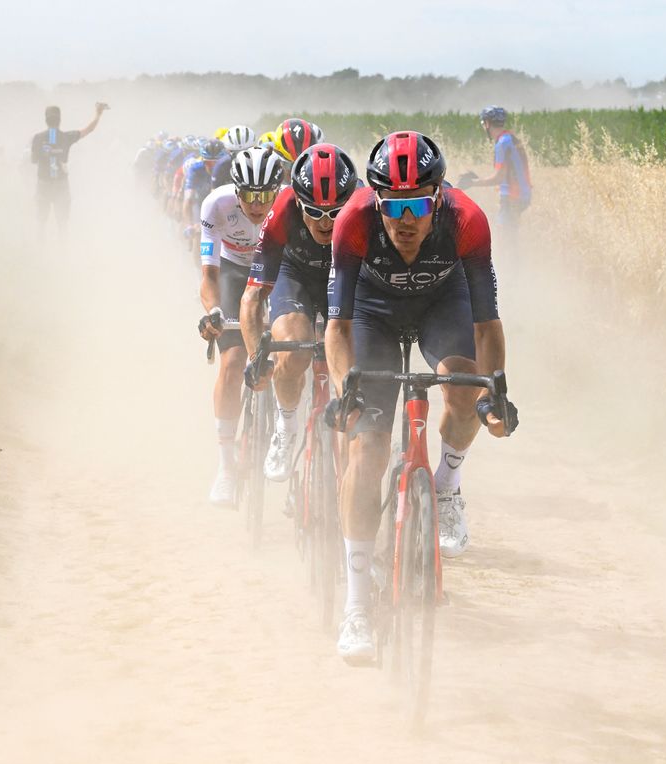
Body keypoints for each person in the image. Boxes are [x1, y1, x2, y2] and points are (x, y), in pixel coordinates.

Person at [325, 131, 519, 663]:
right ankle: (357, 606)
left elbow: (486, 326)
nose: (403, 220)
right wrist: (347, 390)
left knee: (464, 386)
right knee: (364, 453)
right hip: (374, 314)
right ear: (376, 202)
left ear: (438, 198)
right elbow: (337, 330)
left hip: (442, 303)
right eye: (392, 206)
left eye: (416, 205)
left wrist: (491, 395)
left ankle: (448, 486)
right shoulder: (352, 222)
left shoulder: (467, 221)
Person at [241, 143, 359, 482]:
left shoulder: (365, 208)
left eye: (336, 213)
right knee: (292, 349)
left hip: (346, 272)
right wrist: (256, 360)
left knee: (357, 366)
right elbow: (252, 296)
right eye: (314, 211)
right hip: (296, 276)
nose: (325, 223)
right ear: (297, 202)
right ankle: (287, 423)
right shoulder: (282, 210)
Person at [196, 147, 287, 506]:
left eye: (266, 195)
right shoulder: (215, 205)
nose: (258, 204)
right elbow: (209, 274)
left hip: (276, 272)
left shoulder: (288, 206)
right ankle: (226, 468)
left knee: (295, 354)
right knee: (233, 363)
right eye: (250, 195)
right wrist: (215, 310)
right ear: (236, 191)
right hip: (234, 271)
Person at [31, 102, 108, 233]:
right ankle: (63, 250)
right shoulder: (66, 137)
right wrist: (98, 114)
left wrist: (47, 154)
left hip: (43, 184)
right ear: (60, 120)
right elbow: (88, 130)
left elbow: (33, 160)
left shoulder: (38, 138)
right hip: (61, 184)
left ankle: (40, 250)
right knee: (62, 223)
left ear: (46, 120)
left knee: (41, 223)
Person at [457, 106, 532, 239]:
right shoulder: (510, 138)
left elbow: (498, 178)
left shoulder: (502, 143)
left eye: (483, 123)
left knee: (504, 239)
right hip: (522, 194)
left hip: (512, 197)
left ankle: (513, 260)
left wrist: (472, 183)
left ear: (487, 123)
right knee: (509, 236)